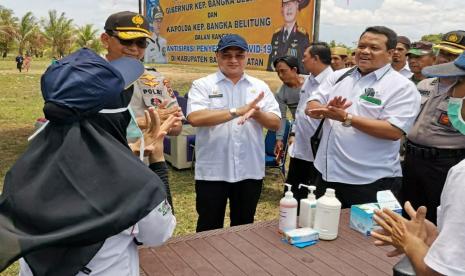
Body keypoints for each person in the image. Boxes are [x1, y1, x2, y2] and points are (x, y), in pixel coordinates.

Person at [305, 26, 421, 208]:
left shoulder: (402, 87)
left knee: (364, 236)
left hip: (369, 181)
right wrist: (326, 110)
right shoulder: (339, 76)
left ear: (390, 53)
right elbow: (311, 106)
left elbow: (393, 131)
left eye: (374, 48)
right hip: (326, 173)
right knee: (324, 230)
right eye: (361, 46)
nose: (365, 52)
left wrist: (346, 117)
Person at [371, 52, 465, 275]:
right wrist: (437, 236)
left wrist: (408, 242)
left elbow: (437, 273)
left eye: (459, 82)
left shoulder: (462, 177)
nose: (451, 92)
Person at [187, 34, 281, 232]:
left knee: (244, 227)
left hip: (249, 171)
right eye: (227, 55)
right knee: (208, 228)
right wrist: (236, 111)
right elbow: (195, 117)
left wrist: (257, 114)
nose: (233, 60)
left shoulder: (259, 86)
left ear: (246, 57)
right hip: (213, 171)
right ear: (217, 56)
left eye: (239, 55)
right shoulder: (203, 84)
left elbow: (275, 123)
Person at [103, 11, 182, 208]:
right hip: (103, 169)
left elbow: (177, 126)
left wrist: (164, 123)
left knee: (155, 231)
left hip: (147, 169)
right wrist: (144, 122)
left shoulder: (156, 79)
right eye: (126, 41)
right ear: (105, 39)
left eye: (141, 43)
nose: (134, 49)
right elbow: (78, 125)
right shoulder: (89, 77)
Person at [402, 30, 465, 224]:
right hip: (412, 158)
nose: (443, 59)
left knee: (439, 217)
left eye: (452, 56)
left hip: (444, 162)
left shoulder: (462, 90)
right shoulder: (425, 83)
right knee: (409, 212)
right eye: (442, 53)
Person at [286, 42, 333, 210]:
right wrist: (293, 133)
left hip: (317, 152)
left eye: (305, 56)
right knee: (293, 193)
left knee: (311, 198)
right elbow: (300, 110)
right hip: (300, 147)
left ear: (316, 58)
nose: (302, 61)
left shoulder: (333, 82)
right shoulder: (309, 79)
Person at [272, 55, 304, 160]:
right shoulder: (280, 94)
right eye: (277, 72)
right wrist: (279, 139)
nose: (280, 75)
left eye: (283, 71)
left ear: (294, 69)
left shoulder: (310, 83)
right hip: (299, 130)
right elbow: (282, 117)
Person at [267, 0, 311, 74]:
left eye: (292, 4)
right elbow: (270, 66)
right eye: (286, 5)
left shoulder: (302, 36)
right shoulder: (276, 35)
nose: (289, 9)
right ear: (282, 10)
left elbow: (303, 68)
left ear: (297, 7)